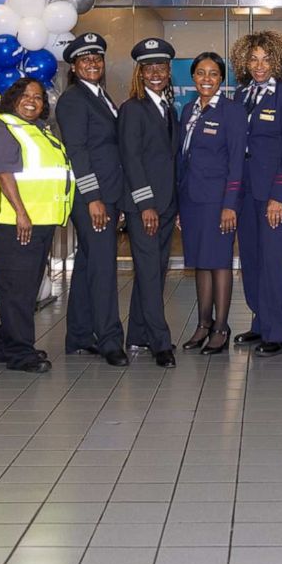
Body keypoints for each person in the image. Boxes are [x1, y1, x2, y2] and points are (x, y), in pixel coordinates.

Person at [0, 77, 74, 374]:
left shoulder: (39, 132)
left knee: (24, 288)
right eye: (25, 95)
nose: (32, 100)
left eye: (38, 97)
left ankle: (8, 346)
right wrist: (21, 212)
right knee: (18, 292)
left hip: (41, 222)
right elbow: (3, 172)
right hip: (14, 224)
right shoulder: (3, 128)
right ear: (13, 98)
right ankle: (22, 353)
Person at [55, 32, 128, 367]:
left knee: (86, 267)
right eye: (85, 60)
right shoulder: (74, 99)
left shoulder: (100, 96)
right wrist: (94, 197)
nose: (93, 64)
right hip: (92, 199)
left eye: (97, 58)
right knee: (102, 269)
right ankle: (110, 340)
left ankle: (80, 336)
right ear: (74, 66)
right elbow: (78, 152)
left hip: (106, 195)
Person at [232, 30, 282, 358]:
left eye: (266, 59)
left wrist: (279, 194)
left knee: (274, 260)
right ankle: (261, 321)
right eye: (253, 59)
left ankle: (278, 331)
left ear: (279, 61)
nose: (259, 66)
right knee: (251, 258)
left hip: (275, 193)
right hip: (245, 192)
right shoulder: (241, 94)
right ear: (244, 62)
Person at [177, 52, 245, 355]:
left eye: (213, 74)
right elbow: (181, 159)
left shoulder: (232, 111)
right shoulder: (188, 109)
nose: (207, 79)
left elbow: (236, 162)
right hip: (191, 199)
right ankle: (203, 324)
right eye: (201, 73)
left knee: (218, 263)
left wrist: (230, 204)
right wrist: (178, 204)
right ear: (193, 77)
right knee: (200, 262)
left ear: (222, 79)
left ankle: (221, 327)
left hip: (219, 202)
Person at [119, 38, 180, 369]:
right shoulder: (132, 109)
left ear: (169, 72)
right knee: (149, 272)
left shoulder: (166, 108)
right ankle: (159, 342)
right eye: (149, 68)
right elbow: (131, 160)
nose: (155, 73)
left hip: (166, 204)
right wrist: (145, 206)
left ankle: (138, 335)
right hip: (146, 207)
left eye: (161, 67)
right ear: (139, 73)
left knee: (154, 271)